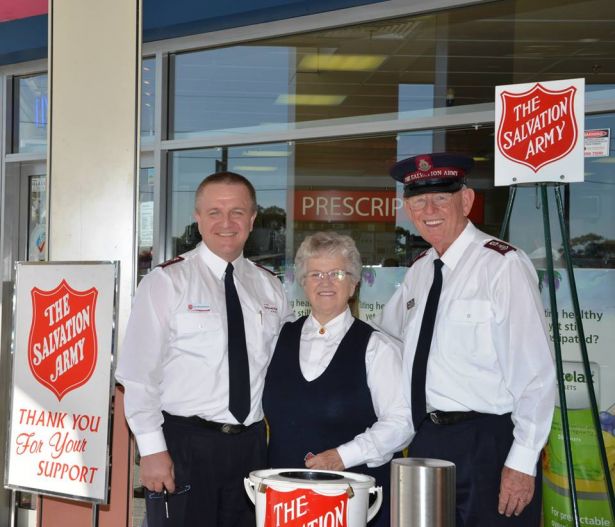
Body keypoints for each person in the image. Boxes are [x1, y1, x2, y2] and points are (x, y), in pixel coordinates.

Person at [378, 153, 556, 527]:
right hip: (427, 438)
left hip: (487, 443)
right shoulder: (421, 271)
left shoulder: (502, 265)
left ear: (467, 201)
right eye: (418, 200)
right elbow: (384, 339)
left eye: (441, 197)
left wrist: (522, 462)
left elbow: (535, 375)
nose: (429, 209)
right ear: (407, 209)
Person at [116, 171, 293, 527]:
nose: (226, 223)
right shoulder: (166, 282)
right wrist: (152, 450)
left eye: (237, 212)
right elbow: (138, 375)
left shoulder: (269, 286)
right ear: (197, 218)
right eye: (214, 212)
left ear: (253, 219)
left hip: (253, 448)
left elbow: (286, 365)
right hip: (185, 446)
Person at [263, 231, 411, 527]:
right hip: (286, 502)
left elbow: (401, 422)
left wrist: (343, 456)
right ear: (302, 283)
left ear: (354, 283)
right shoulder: (277, 338)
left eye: (337, 273)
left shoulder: (377, 347)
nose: (325, 282)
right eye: (315, 273)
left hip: (353, 503)